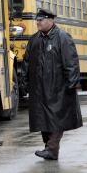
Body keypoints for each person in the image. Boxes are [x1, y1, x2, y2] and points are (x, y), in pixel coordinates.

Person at [21, 8, 82, 160]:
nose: (37, 23)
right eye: (37, 20)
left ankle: (51, 149)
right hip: (39, 89)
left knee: (56, 120)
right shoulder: (34, 39)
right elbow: (27, 63)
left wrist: (72, 84)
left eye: (40, 20)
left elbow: (71, 63)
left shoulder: (62, 38)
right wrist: (25, 83)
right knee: (43, 120)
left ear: (50, 20)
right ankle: (50, 149)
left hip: (58, 88)